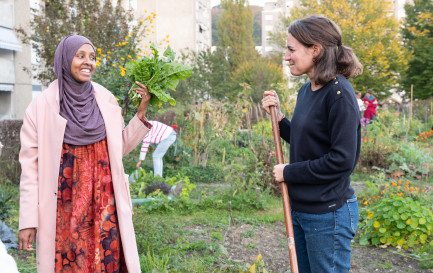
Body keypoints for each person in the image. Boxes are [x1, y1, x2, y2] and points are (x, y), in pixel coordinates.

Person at [18, 35, 152, 273]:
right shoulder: (40, 108)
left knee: (106, 264)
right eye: (80, 56)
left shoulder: (104, 99)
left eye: (92, 57)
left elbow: (118, 149)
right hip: (64, 209)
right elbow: (30, 170)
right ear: (65, 59)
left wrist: (140, 114)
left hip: (105, 205)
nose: (87, 62)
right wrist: (28, 221)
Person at [261, 15, 362, 273]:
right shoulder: (308, 90)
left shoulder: (339, 94)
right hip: (302, 208)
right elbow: (306, 140)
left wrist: (289, 172)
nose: (286, 56)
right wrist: (281, 119)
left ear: (315, 50)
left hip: (328, 214)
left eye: (292, 49)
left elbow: (341, 160)